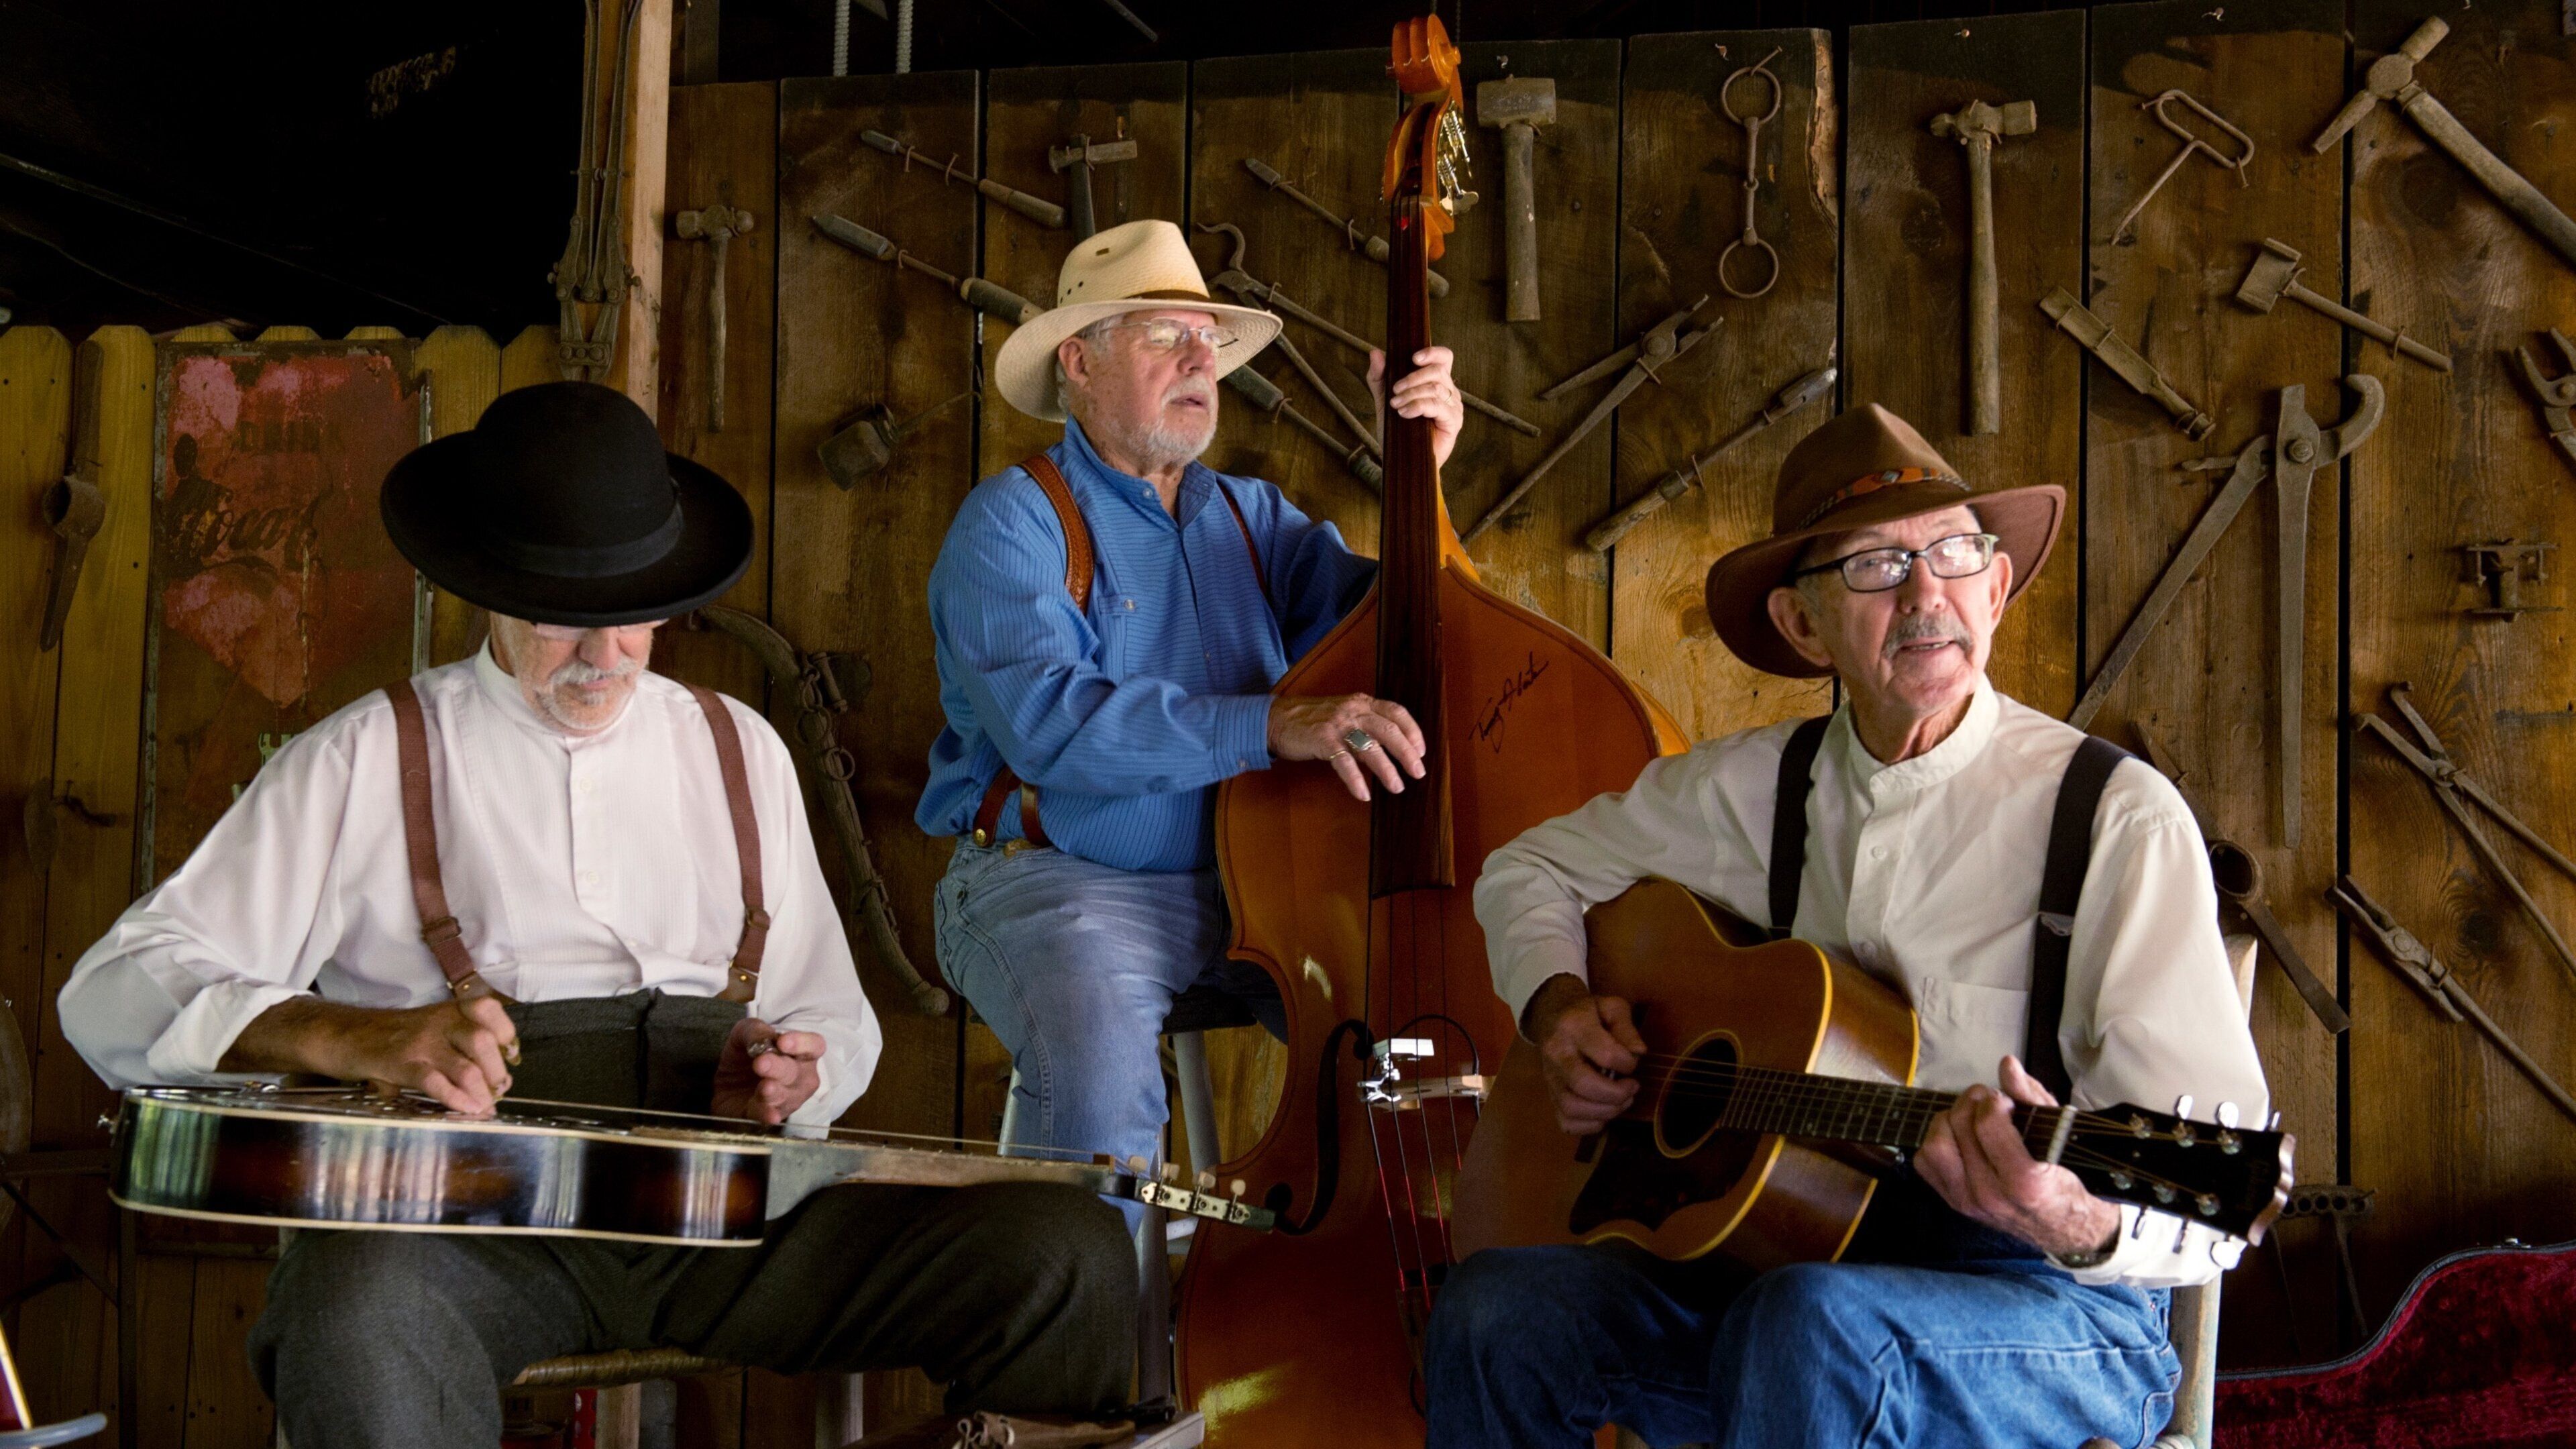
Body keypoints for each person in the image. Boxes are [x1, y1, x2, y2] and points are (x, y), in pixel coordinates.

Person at [60, 382, 1135, 1449]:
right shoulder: (364, 755)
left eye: (634, 614)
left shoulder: (737, 747)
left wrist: (792, 1076)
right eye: (562, 617)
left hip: (732, 1208)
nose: (605, 652)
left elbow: (832, 1019)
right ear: (488, 589)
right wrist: (349, 1037)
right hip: (466, 1217)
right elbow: (112, 994)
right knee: (354, 1316)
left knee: (1061, 1252)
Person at [1426, 403, 2269, 1448]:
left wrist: (2063, 1210)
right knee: (1497, 1313)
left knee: (1810, 1330)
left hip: (2056, 1318)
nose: (1927, 596)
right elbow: (1528, 871)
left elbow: (2218, 1197)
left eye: (1956, 554)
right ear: (1800, 625)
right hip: (1786, 1278)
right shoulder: (1751, 788)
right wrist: (1557, 1007)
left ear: (1997, 589)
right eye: (1875, 567)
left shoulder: (2111, 816)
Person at [916, 219, 1464, 1209]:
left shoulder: (1252, 518)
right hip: (1062, 885)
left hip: (1257, 888)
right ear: (1078, 364)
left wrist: (1422, 465)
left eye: (1207, 341)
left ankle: (1383, 1314)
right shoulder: (1013, 520)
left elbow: (1417, 637)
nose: (1200, 358)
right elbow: (1053, 725)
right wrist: (1270, 723)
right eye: (1165, 335)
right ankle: (1086, 1355)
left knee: (1423, 1044)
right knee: (1095, 1100)